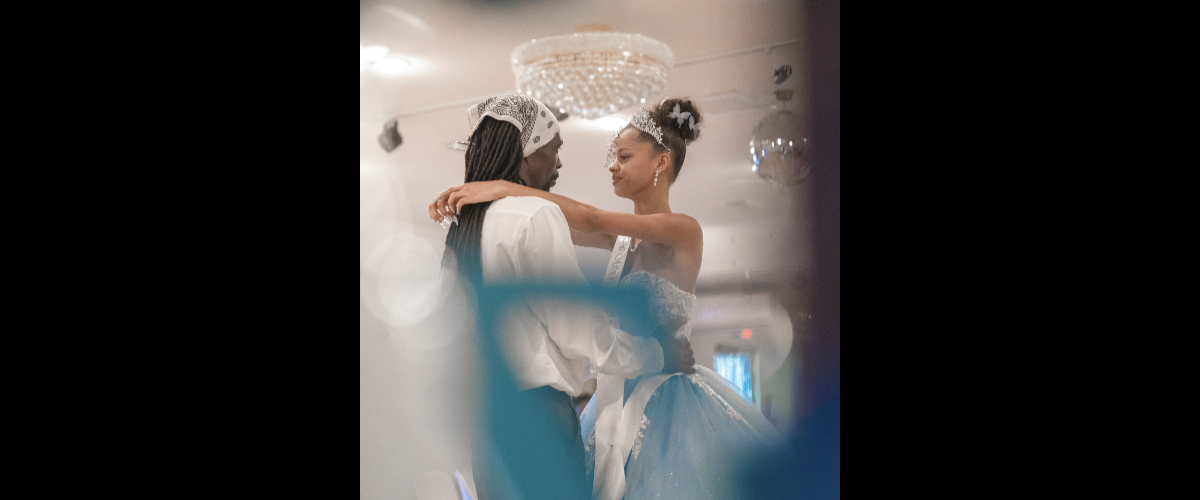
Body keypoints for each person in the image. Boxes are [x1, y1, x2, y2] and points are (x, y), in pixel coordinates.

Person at [431, 98, 784, 500]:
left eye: (624, 155)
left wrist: (506, 186)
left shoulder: (685, 230)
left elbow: (589, 218)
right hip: (613, 401)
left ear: (661, 163)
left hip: (668, 398)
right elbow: (566, 222)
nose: (611, 166)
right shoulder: (619, 242)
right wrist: (504, 196)